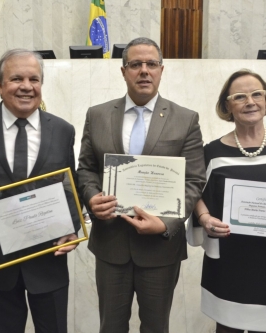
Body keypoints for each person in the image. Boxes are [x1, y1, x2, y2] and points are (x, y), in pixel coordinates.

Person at [77, 37, 206, 332]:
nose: (144, 71)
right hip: (111, 244)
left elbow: (194, 180)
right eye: (135, 64)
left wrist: (166, 224)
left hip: (160, 248)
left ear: (162, 70)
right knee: (110, 325)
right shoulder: (97, 115)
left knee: (156, 326)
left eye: (151, 64)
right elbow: (86, 168)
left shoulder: (186, 119)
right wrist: (91, 197)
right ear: (123, 71)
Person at [0, 49, 80, 333]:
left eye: (34, 79)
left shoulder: (62, 130)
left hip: (49, 260)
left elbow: (70, 186)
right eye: (16, 79)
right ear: (0, 85)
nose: (26, 86)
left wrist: (72, 226)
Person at [189, 69, 266, 333]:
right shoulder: (211, 151)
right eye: (240, 96)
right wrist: (204, 218)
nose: (250, 102)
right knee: (228, 329)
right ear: (227, 106)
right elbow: (195, 191)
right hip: (229, 262)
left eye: (257, 94)